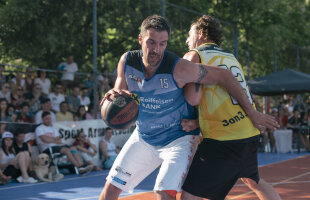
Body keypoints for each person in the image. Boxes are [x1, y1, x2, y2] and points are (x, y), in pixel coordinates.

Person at [99, 15, 278, 200]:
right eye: (151, 43)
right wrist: (115, 95)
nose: (156, 50)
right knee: (109, 191)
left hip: (179, 140)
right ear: (140, 39)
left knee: (164, 193)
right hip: (145, 137)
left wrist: (252, 112)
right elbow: (120, 92)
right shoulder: (127, 62)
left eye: (162, 44)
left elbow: (221, 78)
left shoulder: (180, 67)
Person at [179, 15, 281, 200]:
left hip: (224, 137)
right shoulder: (230, 57)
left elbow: (193, 98)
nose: (187, 40)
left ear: (200, 33)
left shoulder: (195, 55)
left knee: (189, 196)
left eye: (189, 34)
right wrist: (198, 121)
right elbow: (231, 95)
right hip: (247, 131)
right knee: (252, 180)